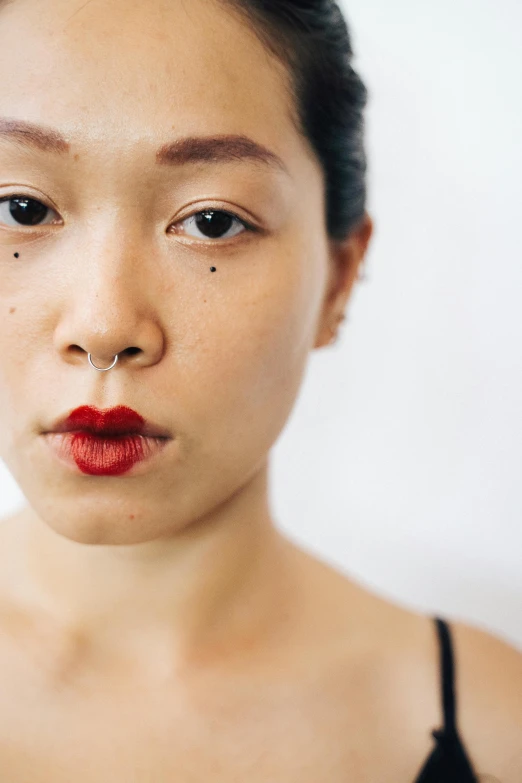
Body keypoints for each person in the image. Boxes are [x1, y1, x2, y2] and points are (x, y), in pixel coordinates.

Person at [0, 0, 520, 779]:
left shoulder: (493, 725)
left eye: (212, 221)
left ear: (338, 279)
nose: (106, 325)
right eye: (22, 208)